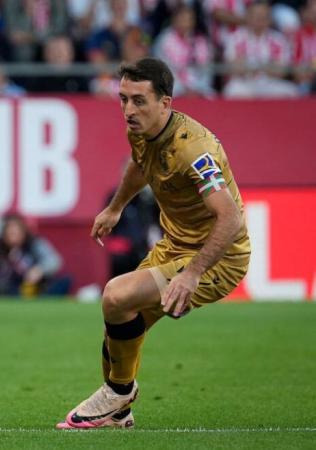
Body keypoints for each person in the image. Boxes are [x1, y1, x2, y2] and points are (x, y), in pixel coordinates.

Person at [56, 58, 250, 430]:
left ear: (166, 103)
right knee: (119, 329)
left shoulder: (194, 150)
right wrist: (115, 208)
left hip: (218, 257)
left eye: (139, 101)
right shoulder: (142, 130)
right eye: (123, 99)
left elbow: (230, 218)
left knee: (115, 296)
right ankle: (118, 411)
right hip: (175, 245)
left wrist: (192, 274)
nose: (129, 110)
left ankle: (117, 394)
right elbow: (139, 164)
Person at [0, 213, 70, 297]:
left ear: (23, 232)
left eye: (15, 233)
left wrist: (39, 270)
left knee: (65, 281)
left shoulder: (34, 243)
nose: (13, 237)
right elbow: (0, 276)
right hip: (16, 287)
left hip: (40, 285)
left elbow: (54, 261)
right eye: (9, 234)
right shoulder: (0, 249)